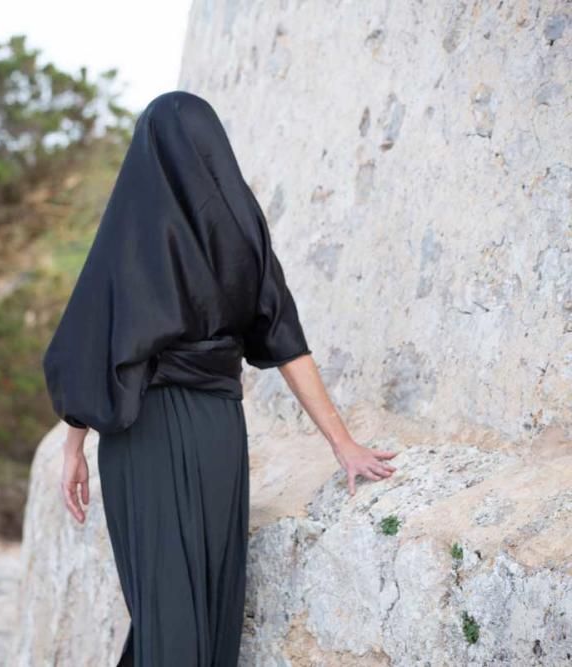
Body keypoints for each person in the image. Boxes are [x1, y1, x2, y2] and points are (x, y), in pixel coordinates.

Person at [42, 91, 399, 665]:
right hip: (218, 431)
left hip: (144, 435)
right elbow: (287, 340)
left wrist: (74, 448)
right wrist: (343, 443)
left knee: (165, 607)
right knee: (205, 602)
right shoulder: (242, 230)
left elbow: (87, 350)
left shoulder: (128, 235)